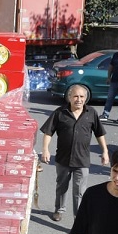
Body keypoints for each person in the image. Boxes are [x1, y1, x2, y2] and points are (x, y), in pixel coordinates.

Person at [40, 85, 109, 222]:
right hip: (63, 159)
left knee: (80, 191)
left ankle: (78, 217)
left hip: (82, 160)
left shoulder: (91, 113)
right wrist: (45, 149)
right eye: (76, 96)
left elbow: (99, 133)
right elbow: (48, 132)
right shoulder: (60, 112)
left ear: (86, 98)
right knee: (61, 187)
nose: (79, 99)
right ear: (70, 97)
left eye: (82, 97)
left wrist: (105, 151)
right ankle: (59, 210)